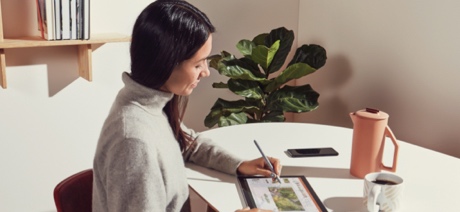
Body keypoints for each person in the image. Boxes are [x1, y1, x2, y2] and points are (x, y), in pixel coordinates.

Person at [92, 0, 281, 211]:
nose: (206, 72)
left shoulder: (148, 102)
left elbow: (188, 143)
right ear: (166, 62)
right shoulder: (134, 142)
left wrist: (239, 164)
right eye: (198, 64)